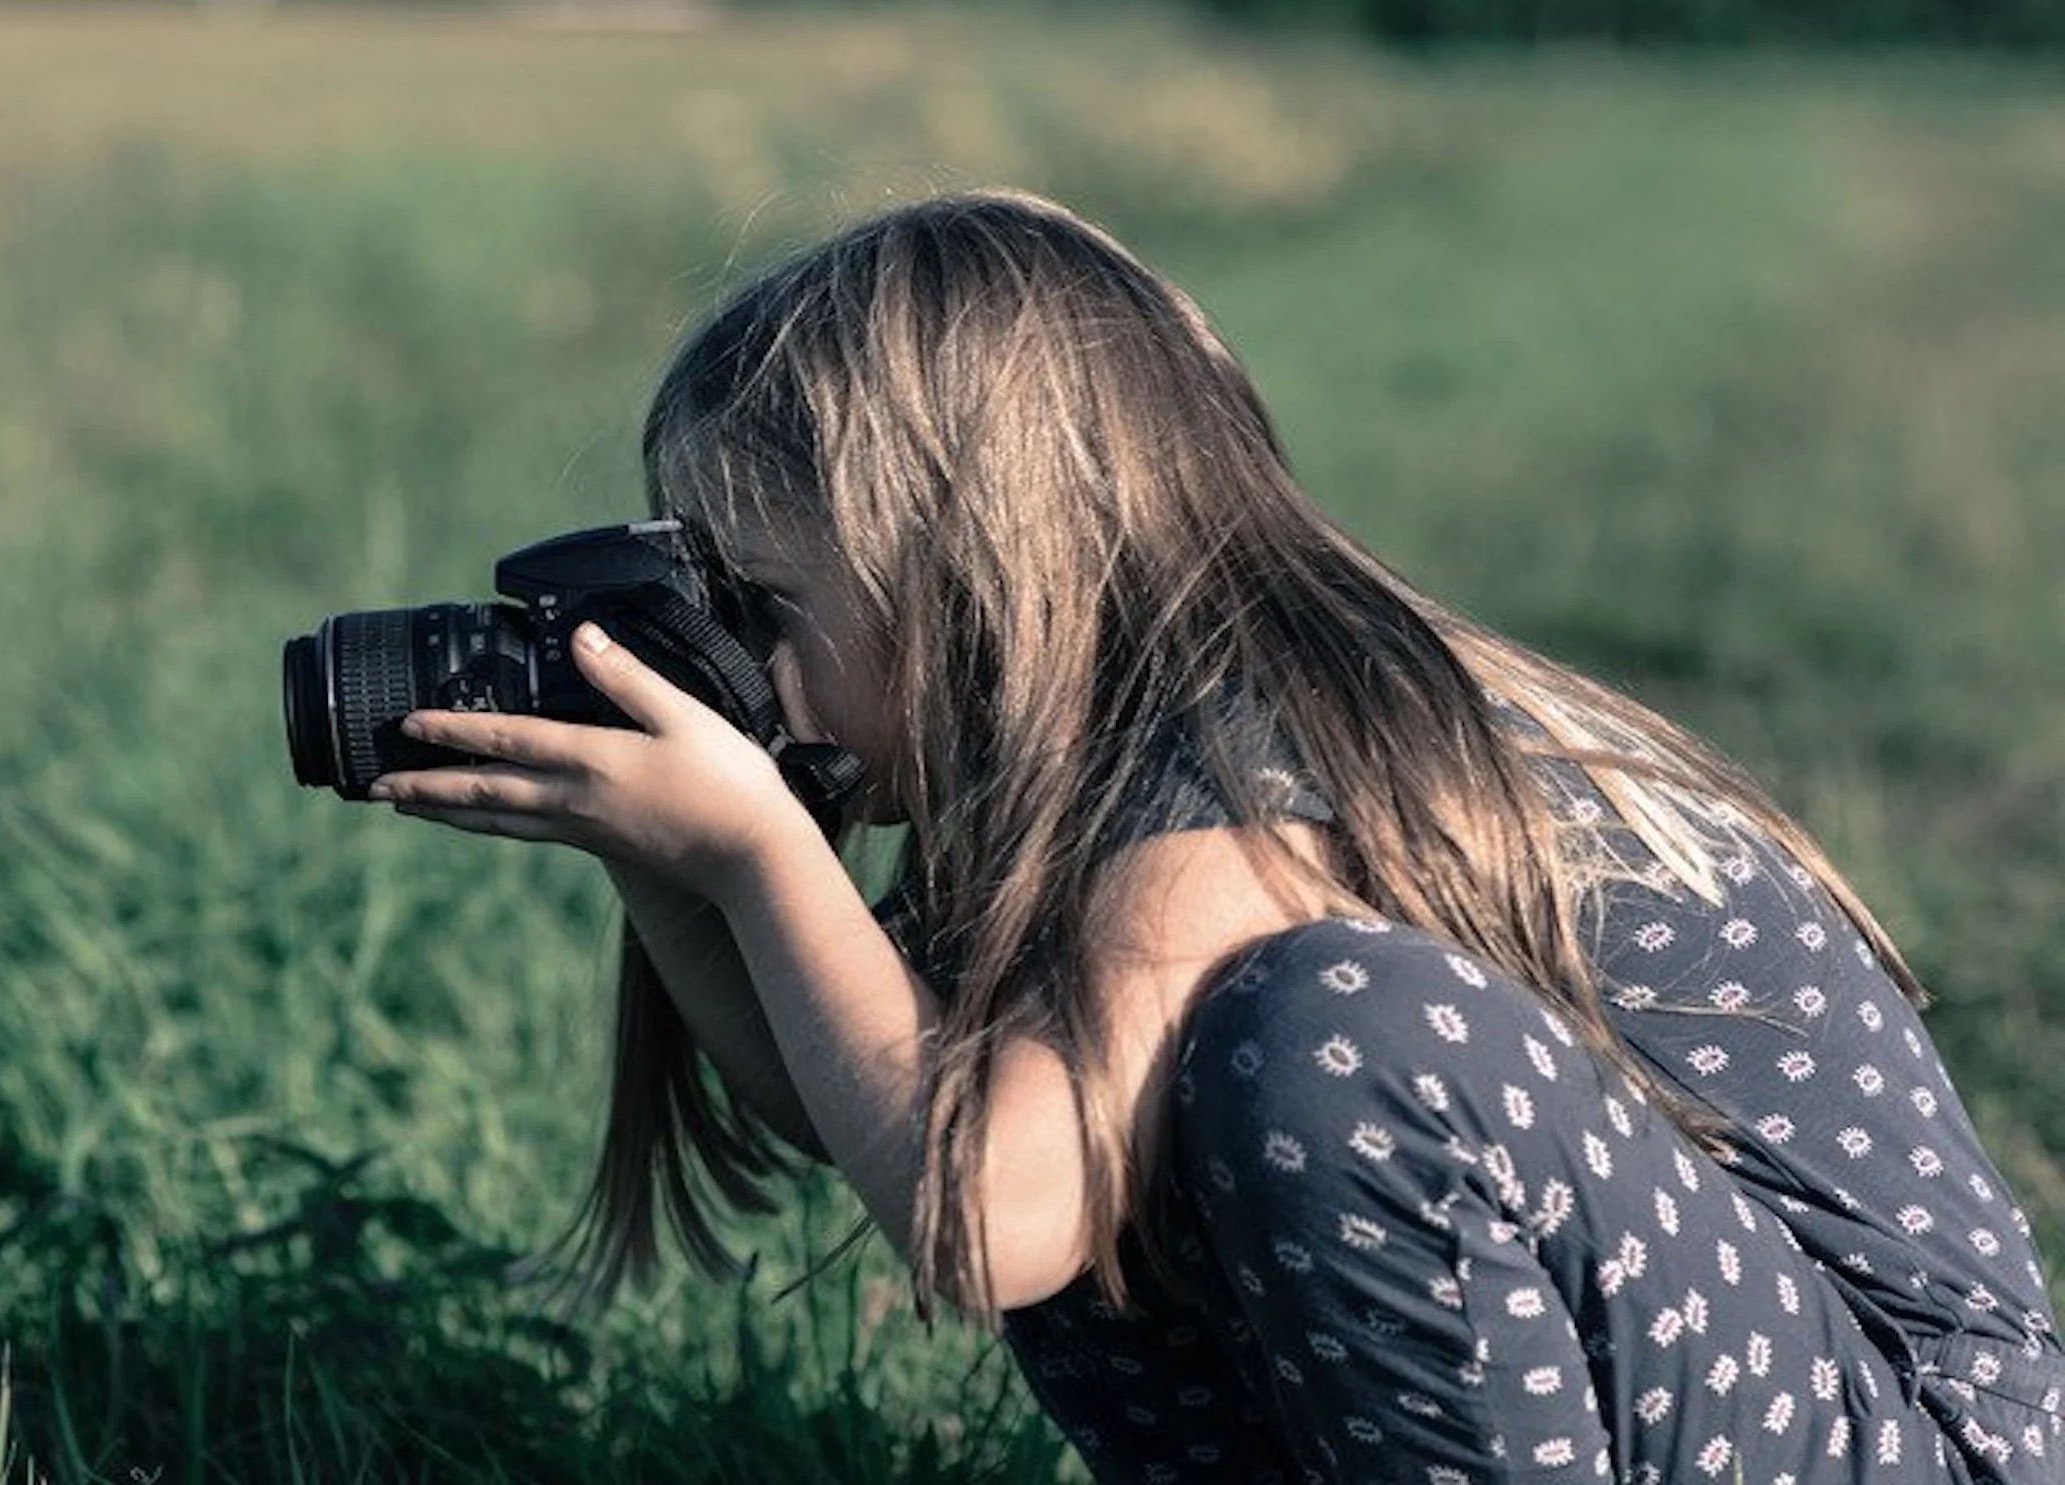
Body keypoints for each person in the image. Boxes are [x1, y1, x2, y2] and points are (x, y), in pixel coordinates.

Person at [364, 189, 2063, 1482]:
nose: (734, 651)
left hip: (1907, 1442)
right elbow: (874, 1107)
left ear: (968, 568)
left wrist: (756, 854)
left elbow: (977, 1217)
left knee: (1327, 1040)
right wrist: (667, 870)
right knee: (1088, 1113)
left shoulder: (1242, 760)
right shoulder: (1060, 785)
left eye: (762, 601)